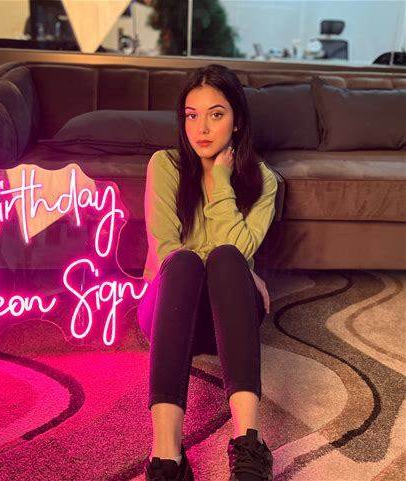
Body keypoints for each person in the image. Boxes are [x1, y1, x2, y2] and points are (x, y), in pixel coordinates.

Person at [138, 63, 277, 481]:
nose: (201, 128)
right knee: (184, 262)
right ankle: (166, 457)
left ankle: (249, 443)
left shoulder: (263, 181)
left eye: (216, 114)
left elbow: (238, 248)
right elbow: (165, 249)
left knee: (227, 257)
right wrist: (240, 268)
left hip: (228, 319)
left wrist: (220, 182)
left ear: (237, 121)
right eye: (191, 115)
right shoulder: (164, 165)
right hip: (169, 312)